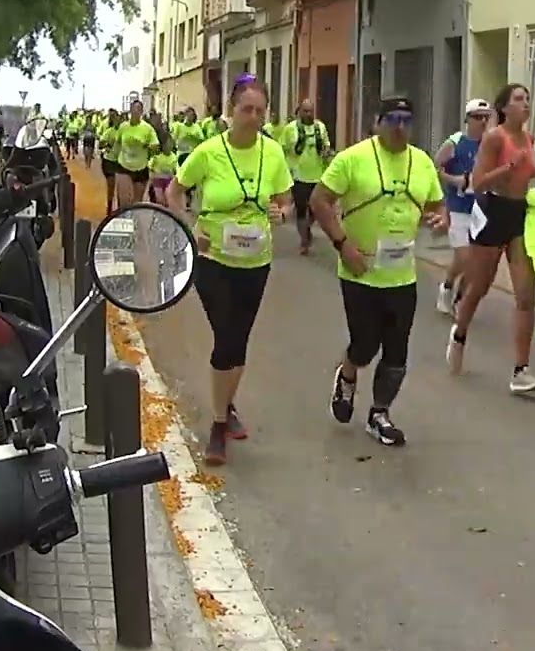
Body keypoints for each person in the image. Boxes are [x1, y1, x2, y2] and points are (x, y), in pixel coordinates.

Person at [164, 76, 293, 466]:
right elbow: (174, 190)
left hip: (256, 262)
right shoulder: (208, 152)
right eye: (245, 109)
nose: (252, 117)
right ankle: (219, 426)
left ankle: (227, 404)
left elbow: (286, 200)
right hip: (214, 259)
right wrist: (188, 227)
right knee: (227, 339)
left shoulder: (272, 153)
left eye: (259, 111)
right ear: (230, 112)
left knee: (238, 341)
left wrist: (282, 212)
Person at [311, 96, 448, 445]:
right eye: (393, 120)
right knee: (365, 344)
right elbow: (319, 201)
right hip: (360, 271)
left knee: (397, 353)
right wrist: (343, 245)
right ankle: (348, 374)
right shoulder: (352, 159)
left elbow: (436, 205)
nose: (400, 127)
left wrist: (440, 218)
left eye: (406, 120)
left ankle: (379, 414)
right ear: (377, 122)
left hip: (402, 275)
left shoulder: (422, 163)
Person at [445, 83, 535, 394]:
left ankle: (521, 370)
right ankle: (460, 333)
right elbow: (478, 182)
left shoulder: (529, 139)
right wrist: (506, 169)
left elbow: (524, 175)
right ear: (504, 108)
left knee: (526, 295)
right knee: (480, 286)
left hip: (519, 214)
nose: (526, 104)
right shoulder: (494, 137)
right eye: (519, 99)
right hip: (492, 212)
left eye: (528, 99)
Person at [433, 99, 492, 317]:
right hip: (458, 208)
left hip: (482, 210)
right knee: (466, 259)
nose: (483, 121)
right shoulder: (455, 142)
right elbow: (434, 168)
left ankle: (457, 298)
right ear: (467, 119)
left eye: (486, 117)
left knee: (472, 263)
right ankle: (447, 288)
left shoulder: (490, 143)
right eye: (478, 117)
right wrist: (455, 180)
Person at [282, 100, 332, 254]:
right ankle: (304, 242)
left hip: (318, 176)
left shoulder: (320, 127)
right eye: (305, 111)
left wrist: (327, 152)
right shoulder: (290, 129)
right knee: (301, 210)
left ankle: (307, 228)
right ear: (299, 112)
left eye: (311, 111)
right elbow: (281, 150)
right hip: (298, 176)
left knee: (316, 210)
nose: (308, 114)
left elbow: (327, 146)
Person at [115, 100, 161, 208]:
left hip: (141, 167)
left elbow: (156, 146)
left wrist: (148, 146)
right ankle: (124, 220)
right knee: (124, 201)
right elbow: (117, 143)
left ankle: (134, 222)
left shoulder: (147, 128)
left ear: (141, 112)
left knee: (137, 203)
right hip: (124, 165)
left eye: (139, 109)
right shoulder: (123, 127)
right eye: (134, 108)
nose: (136, 111)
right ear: (130, 110)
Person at [98, 110, 123, 215]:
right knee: (111, 186)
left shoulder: (125, 131)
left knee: (121, 187)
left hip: (122, 162)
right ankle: (109, 208)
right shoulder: (109, 131)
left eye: (118, 118)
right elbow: (100, 145)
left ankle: (121, 209)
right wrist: (108, 144)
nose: (116, 120)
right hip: (109, 161)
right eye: (114, 118)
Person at [147, 137, 178, 206]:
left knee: (167, 199)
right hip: (158, 180)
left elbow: (175, 170)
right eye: (166, 145)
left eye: (170, 144)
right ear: (162, 146)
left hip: (168, 180)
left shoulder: (174, 157)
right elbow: (150, 167)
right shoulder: (156, 157)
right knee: (160, 199)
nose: (168, 147)